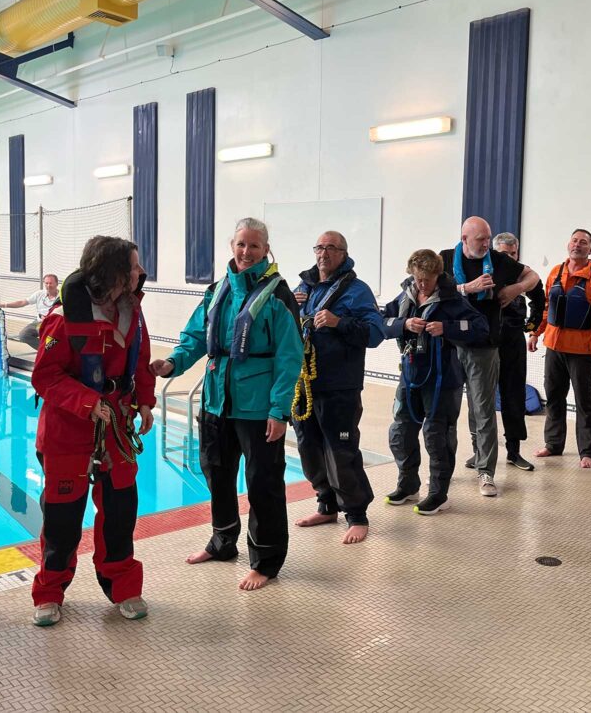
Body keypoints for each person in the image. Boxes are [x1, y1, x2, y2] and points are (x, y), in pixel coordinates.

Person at [151, 218, 301, 591]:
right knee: (217, 475)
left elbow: (289, 357)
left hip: (258, 409)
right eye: (240, 245)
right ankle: (222, 543)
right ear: (231, 247)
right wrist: (173, 364)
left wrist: (279, 410)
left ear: (266, 249)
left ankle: (265, 561)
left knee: (262, 484)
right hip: (217, 402)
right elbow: (196, 336)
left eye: (254, 246)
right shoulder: (217, 291)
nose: (246, 253)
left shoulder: (278, 295)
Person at [30, 236, 154, 627]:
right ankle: (49, 590)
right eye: (133, 267)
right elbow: (44, 376)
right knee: (63, 518)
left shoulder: (132, 312)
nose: (140, 272)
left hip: (116, 426)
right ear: (112, 272)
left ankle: (123, 585)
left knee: (121, 511)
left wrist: (146, 402)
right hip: (69, 431)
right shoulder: (63, 318)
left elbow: (142, 359)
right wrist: (87, 402)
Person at [290, 231, 385, 544]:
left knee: (340, 450)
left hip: (340, 386)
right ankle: (327, 504)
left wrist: (338, 322)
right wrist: (291, 307)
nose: (324, 253)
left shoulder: (357, 291)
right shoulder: (303, 287)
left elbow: (375, 333)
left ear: (344, 253)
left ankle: (357, 514)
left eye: (332, 248)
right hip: (304, 386)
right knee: (308, 448)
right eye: (319, 247)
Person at [382, 250, 488, 514]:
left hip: (443, 379)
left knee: (436, 436)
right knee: (401, 432)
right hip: (410, 376)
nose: (421, 285)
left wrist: (447, 328)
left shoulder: (452, 298)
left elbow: (481, 327)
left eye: (427, 280)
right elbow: (382, 323)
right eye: (417, 279)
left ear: (438, 276)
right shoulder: (405, 295)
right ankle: (407, 485)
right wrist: (404, 324)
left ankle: (438, 494)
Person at [440, 217, 538, 497]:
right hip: (449, 345)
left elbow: (533, 277)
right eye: (480, 239)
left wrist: (515, 289)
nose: (485, 243)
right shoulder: (445, 259)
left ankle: (486, 471)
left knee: (483, 411)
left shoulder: (498, 261)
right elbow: (429, 289)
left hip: (484, 346)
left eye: (488, 238)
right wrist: (466, 288)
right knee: (446, 411)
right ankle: (444, 469)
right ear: (464, 239)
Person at [529, 229, 591, 468]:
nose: (578, 245)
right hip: (554, 346)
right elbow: (547, 307)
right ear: (568, 244)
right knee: (554, 397)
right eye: (575, 240)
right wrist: (535, 333)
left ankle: (588, 451)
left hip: (583, 350)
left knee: (584, 400)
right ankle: (553, 444)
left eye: (584, 242)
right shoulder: (555, 272)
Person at [488, 232, 545, 471]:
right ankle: (482, 452)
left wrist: (532, 327)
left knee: (514, 396)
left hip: (512, 340)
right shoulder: (483, 271)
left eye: (513, 254)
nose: (509, 258)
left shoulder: (522, 273)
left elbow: (539, 295)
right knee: (483, 399)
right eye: (504, 254)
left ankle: (514, 451)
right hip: (486, 342)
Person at [0, 273, 59, 349]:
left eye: (51, 283)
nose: (48, 285)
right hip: (39, 322)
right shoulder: (39, 294)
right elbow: (22, 302)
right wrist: (4, 305)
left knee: (46, 333)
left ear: (56, 283)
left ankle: (50, 350)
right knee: (23, 335)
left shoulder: (61, 297)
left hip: (54, 323)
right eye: (46, 283)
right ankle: (47, 350)